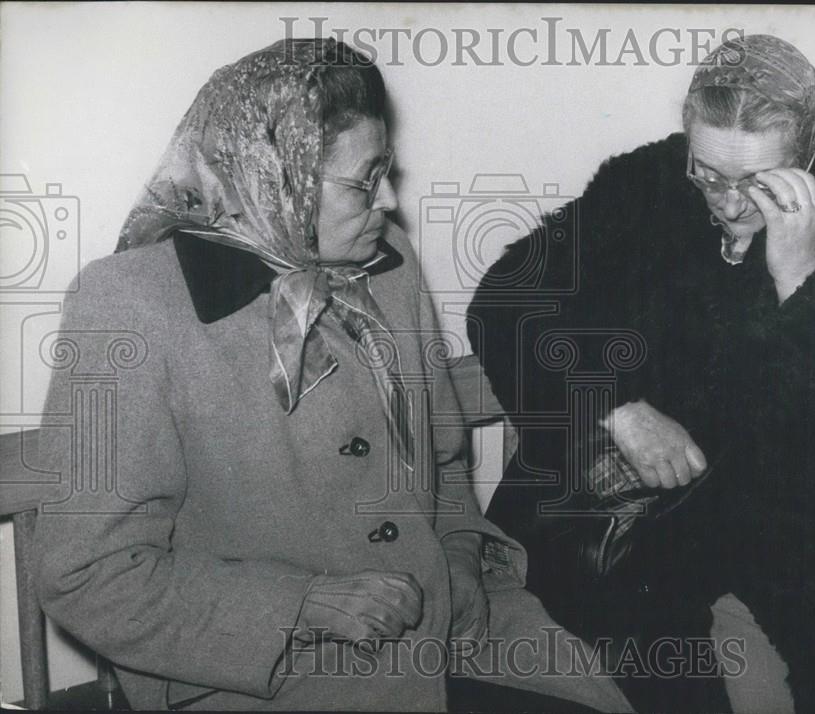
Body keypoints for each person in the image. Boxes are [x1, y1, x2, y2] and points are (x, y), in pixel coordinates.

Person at [32, 38, 633, 713]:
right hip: (270, 670)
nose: (390, 203)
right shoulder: (131, 304)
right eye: (363, 180)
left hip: (457, 632)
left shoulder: (389, 263)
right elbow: (88, 574)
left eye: (387, 171)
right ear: (272, 177)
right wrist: (301, 604)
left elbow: (444, 456)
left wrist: (462, 554)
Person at [468, 34, 815, 713]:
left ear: (807, 151)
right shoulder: (647, 181)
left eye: (758, 182)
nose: (729, 202)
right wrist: (618, 407)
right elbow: (507, 298)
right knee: (640, 623)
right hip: (673, 487)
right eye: (709, 174)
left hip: (809, 487)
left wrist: (801, 279)